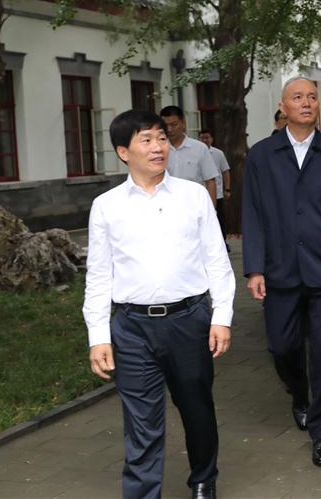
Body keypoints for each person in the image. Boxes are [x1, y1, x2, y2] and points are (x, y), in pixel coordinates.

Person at [83, 109, 235, 499]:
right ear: (123, 152)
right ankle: (141, 492)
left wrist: (222, 317)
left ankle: (203, 477)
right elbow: (99, 275)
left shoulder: (193, 195)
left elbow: (217, 260)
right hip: (131, 328)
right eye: (146, 140)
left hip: (188, 320)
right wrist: (98, 336)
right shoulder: (106, 206)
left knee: (196, 407)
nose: (158, 147)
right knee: (141, 422)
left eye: (161, 138)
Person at [242, 76, 321, 468]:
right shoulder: (261, 155)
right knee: (281, 347)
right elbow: (251, 212)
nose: (305, 102)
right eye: (296, 97)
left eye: (311, 96)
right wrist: (254, 268)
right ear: (283, 108)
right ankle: (299, 393)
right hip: (279, 270)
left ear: (318, 106)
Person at [160, 105, 217, 205]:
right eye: (165, 125)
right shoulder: (158, 149)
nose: (169, 129)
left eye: (174, 124)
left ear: (183, 123)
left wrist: (212, 211)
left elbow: (210, 181)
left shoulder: (199, 148)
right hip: (166, 206)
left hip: (194, 205)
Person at [198, 129, 231, 244]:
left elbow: (225, 171)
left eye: (207, 137)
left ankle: (223, 242)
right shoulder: (197, 152)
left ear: (211, 139)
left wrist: (227, 189)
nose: (204, 140)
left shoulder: (218, 153)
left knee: (219, 218)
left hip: (217, 193)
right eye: (202, 138)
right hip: (201, 193)